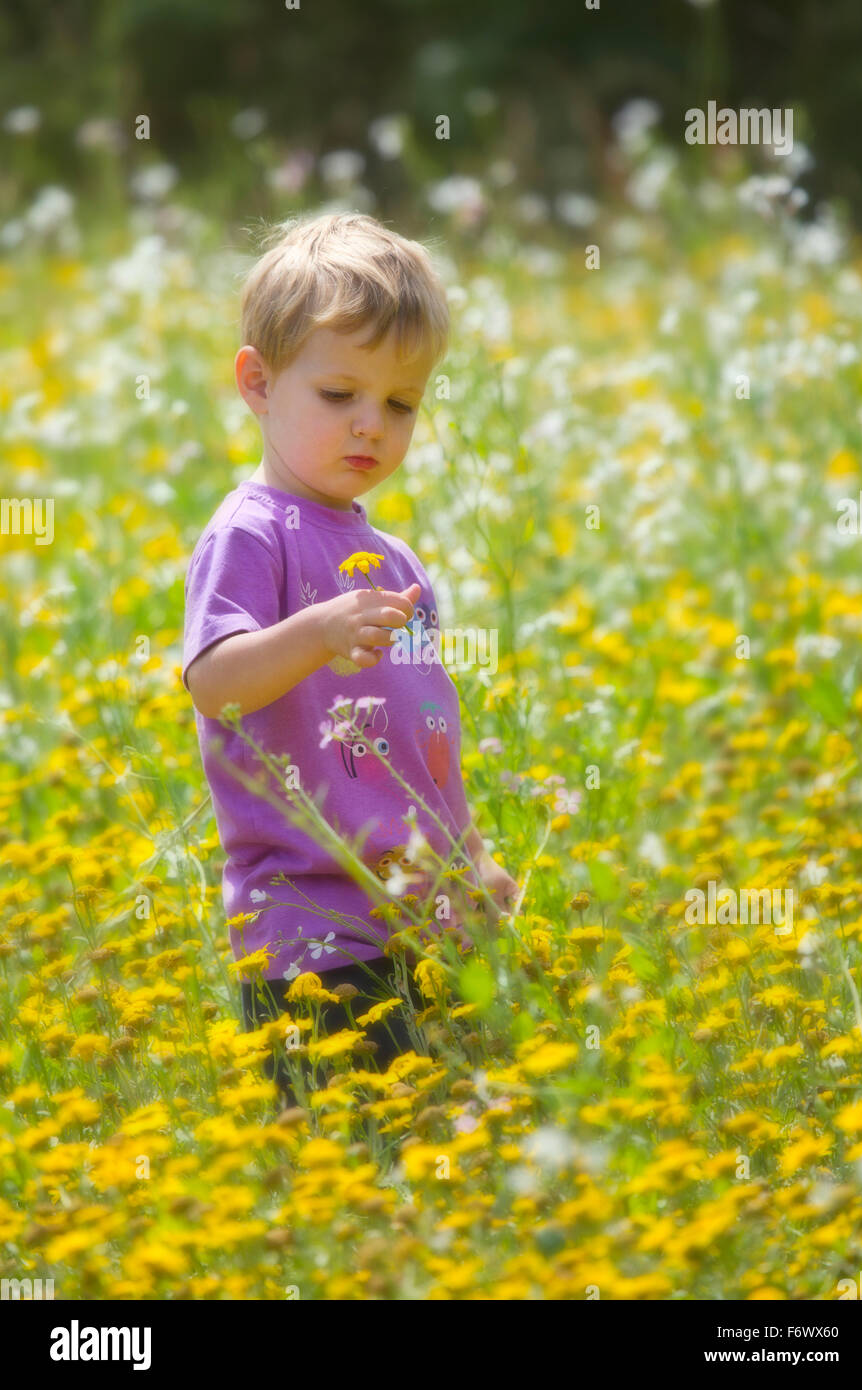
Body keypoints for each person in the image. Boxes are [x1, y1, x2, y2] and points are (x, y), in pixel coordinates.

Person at [180, 211, 519, 1103]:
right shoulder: (252, 532)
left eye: (400, 404)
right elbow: (214, 684)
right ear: (257, 383)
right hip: (311, 928)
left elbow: (425, 738)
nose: (371, 425)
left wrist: (471, 856)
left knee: (449, 1125)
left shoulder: (397, 563)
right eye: (340, 396)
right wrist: (316, 635)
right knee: (346, 1152)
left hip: (422, 915)